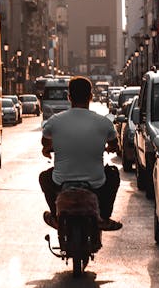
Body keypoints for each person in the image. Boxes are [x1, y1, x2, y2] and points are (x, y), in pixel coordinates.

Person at [39, 76, 122, 231]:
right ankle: (103, 217)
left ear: (69, 97)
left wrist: (47, 149)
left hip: (61, 180)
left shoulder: (55, 120)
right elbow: (114, 144)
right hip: (96, 181)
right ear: (91, 97)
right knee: (113, 174)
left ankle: (55, 216)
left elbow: (45, 142)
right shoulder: (104, 122)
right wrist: (110, 147)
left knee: (44, 177)